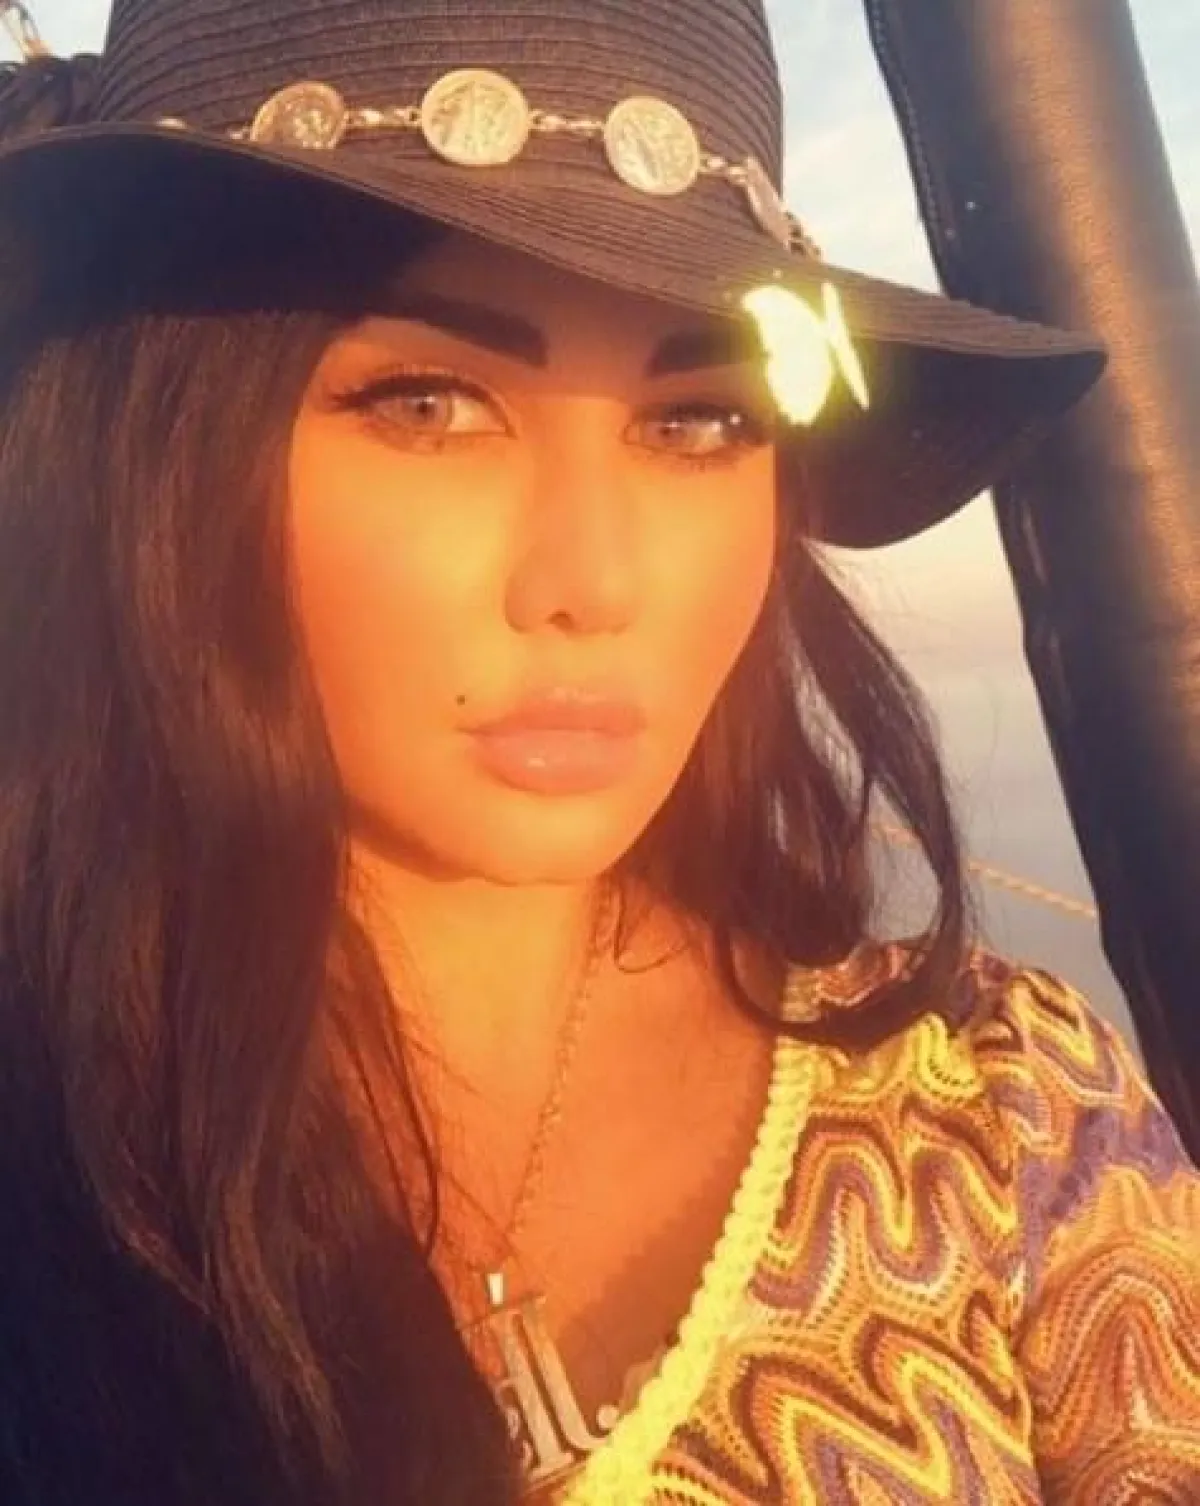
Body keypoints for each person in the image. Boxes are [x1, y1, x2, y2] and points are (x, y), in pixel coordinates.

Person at [0, 1, 1196, 1502]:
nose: (596, 582)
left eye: (699, 423)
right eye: (431, 403)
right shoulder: (46, 1152)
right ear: (163, 451)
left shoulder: (1005, 1109)